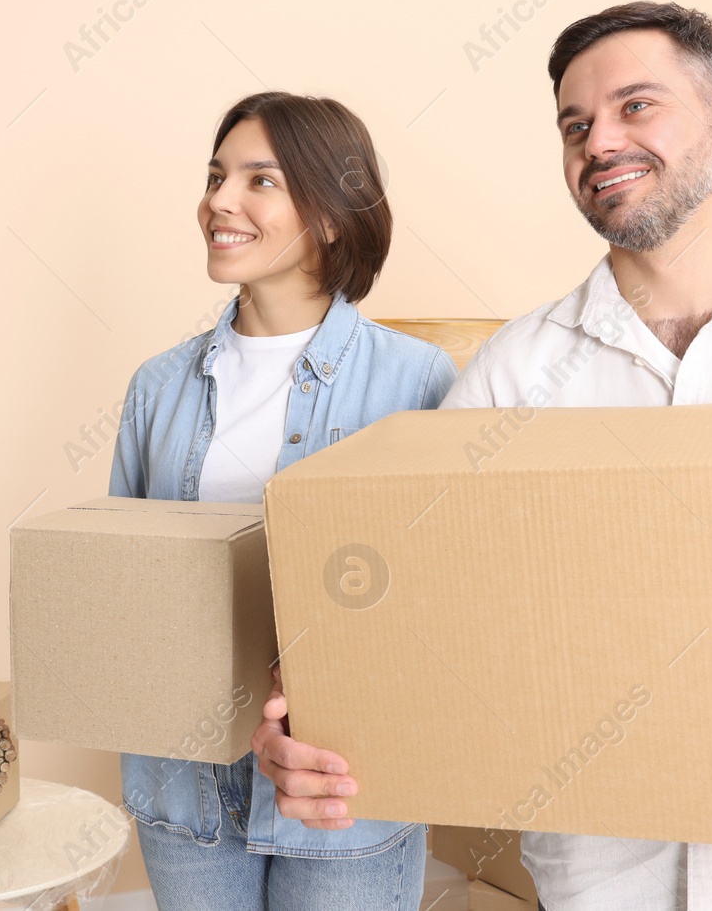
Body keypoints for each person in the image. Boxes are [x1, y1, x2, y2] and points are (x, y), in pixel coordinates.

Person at [250, 2, 712, 910]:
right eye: (574, 125)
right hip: (606, 884)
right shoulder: (514, 377)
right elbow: (405, 603)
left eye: (636, 106)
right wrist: (312, 720)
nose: (598, 142)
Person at [109, 90, 457, 910]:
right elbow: (124, 586)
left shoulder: (417, 381)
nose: (219, 200)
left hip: (344, 788)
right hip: (187, 784)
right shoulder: (156, 387)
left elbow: (442, 601)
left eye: (259, 180)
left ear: (332, 217)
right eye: (216, 174)